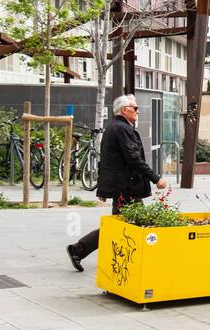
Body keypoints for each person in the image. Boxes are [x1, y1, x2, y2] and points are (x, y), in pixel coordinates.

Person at [66, 94, 166, 271]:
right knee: (131, 223)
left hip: (124, 185)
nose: (138, 111)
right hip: (125, 186)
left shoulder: (118, 127)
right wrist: (155, 178)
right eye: (134, 108)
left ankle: (79, 250)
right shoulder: (121, 128)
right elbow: (133, 158)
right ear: (124, 110)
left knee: (122, 223)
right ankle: (79, 249)